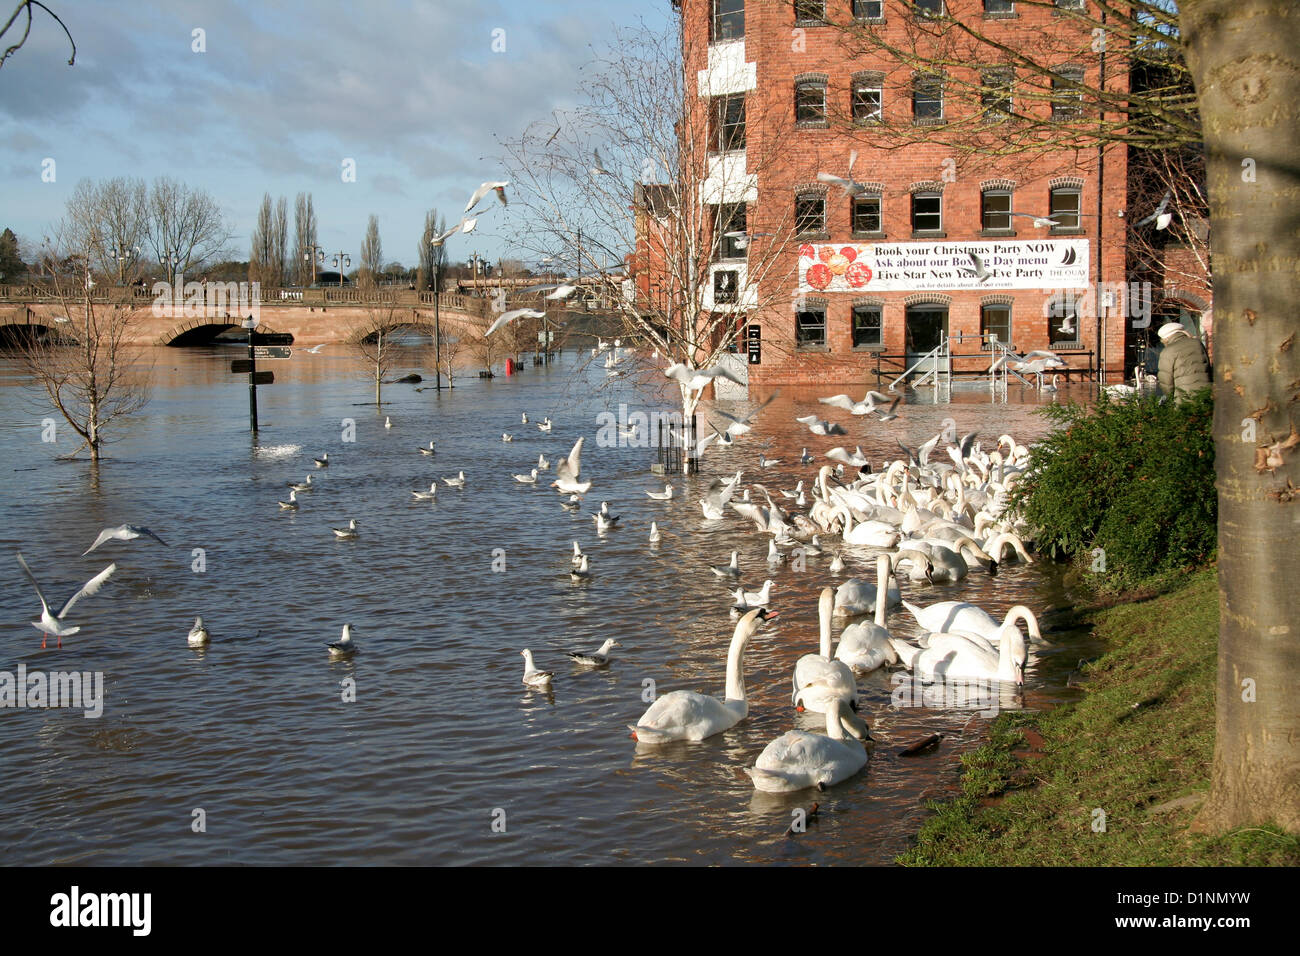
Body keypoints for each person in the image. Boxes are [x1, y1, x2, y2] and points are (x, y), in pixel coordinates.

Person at [1156, 321, 1211, 402]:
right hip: (1206, 394)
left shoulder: (1168, 351)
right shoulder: (1197, 343)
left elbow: (1166, 383)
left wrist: (1170, 398)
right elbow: (1207, 367)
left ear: (1166, 338)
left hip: (1185, 397)